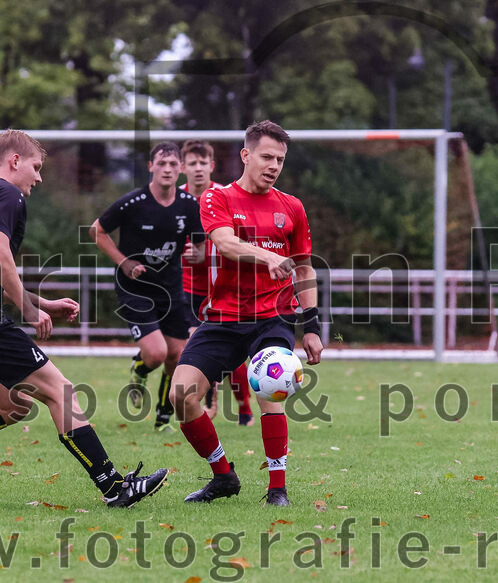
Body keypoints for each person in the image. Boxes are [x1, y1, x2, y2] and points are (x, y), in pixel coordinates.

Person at [0, 130, 167, 507]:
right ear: (14, 161)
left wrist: (42, 302)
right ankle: (114, 487)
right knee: (61, 391)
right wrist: (28, 311)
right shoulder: (7, 193)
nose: (38, 178)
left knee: (12, 405)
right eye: (36, 167)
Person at [169, 120, 323, 506]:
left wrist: (312, 326)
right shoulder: (217, 197)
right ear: (245, 155)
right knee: (181, 395)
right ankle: (223, 476)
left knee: (271, 388)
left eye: (280, 160)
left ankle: (277, 488)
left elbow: (304, 269)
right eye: (267, 157)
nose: (274, 166)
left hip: (274, 316)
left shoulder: (292, 207)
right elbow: (225, 243)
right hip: (223, 317)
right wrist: (268, 256)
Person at [89, 142, 205, 431]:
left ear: (181, 169)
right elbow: (97, 231)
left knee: (177, 355)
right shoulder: (133, 202)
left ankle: (163, 418)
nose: (167, 169)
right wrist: (123, 262)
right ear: (151, 167)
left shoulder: (189, 205)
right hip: (135, 289)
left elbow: (201, 245)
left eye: (173, 164)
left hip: (171, 289)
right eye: (161, 164)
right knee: (156, 354)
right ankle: (139, 369)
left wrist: (198, 254)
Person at [176, 140, 254, 427]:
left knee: (233, 352)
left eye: (203, 163)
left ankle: (244, 408)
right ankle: (200, 403)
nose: (198, 168)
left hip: (220, 286)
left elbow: (235, 239)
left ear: (211, 166)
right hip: (185, 287)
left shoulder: (224, 196)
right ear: (183, 167)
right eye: (192, 163)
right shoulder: (175, 198)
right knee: (188, 348)